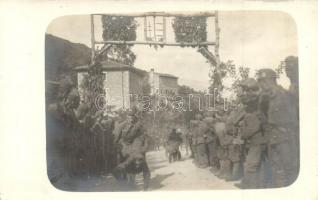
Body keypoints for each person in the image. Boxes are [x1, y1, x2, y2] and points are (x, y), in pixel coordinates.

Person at [257, 68, 299, 187]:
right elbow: (262, 116)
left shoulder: (285, 95)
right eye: (260, 81)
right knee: (277, 169)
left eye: (264, 81)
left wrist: (287, 132)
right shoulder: (264, 97)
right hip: (272, 138)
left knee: (289, 168)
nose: (261, 84)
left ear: (272, 80)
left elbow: (294, 118)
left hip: (285, 138)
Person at [234, 78, 267, 188]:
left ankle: (251, 187)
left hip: (257, 140)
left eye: (246, 90)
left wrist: (243, 135)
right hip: (255, 140)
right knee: (257, 164)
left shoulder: (254, 109)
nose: (245, 94)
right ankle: (255, 185)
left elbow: (253, 127)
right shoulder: (252, 107)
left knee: (251, 165)